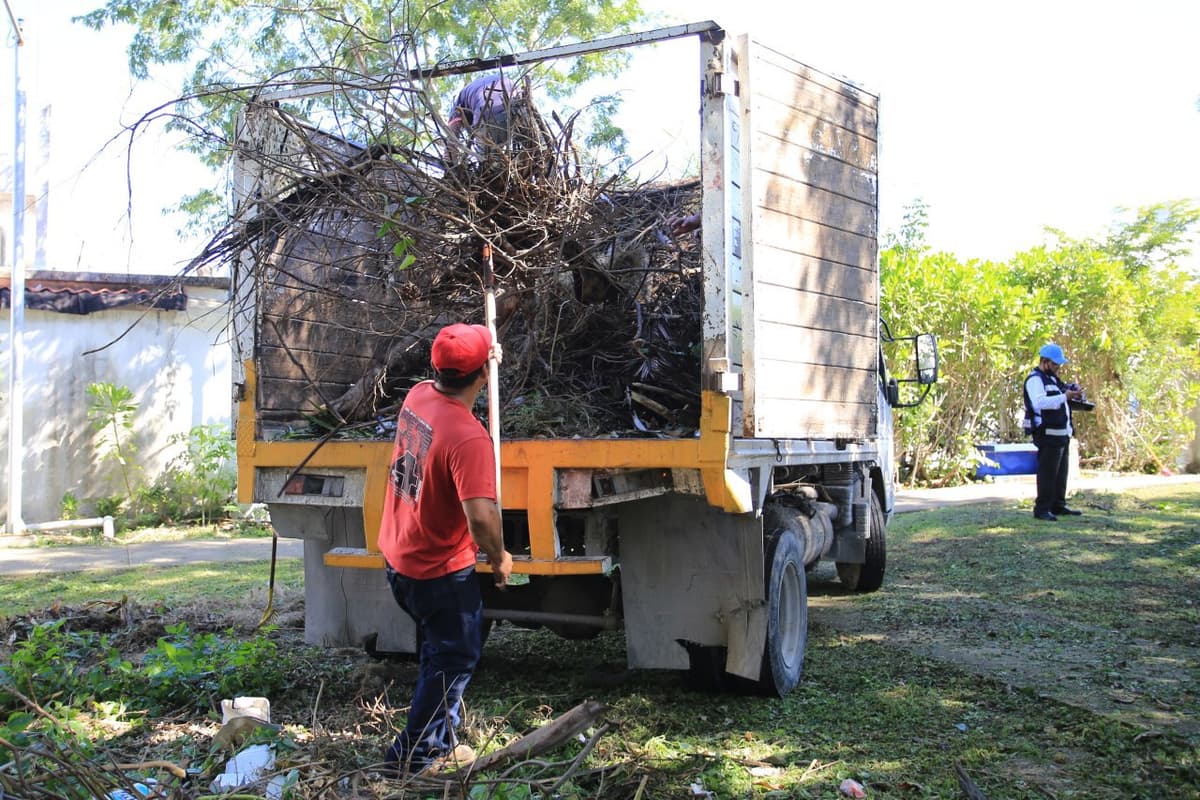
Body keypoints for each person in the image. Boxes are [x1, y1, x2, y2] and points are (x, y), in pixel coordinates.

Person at [378, 322, 513, 775]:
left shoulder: (418, 396)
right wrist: (499, 557)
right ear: (482, 378)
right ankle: (415, 756)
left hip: (400, 556)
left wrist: (483, 362)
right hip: (438, 571)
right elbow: (480, 517)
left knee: (437, 651)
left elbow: (461, 371)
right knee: (454, 657)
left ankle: (444, 737)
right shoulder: (469, 438)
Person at [1022, 343, 1085, 521]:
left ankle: (1058, 505)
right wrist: (1065, 397)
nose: (1058, 368)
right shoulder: (1035, 380)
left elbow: (1063, 393)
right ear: (1045, 362)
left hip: (1061, 433)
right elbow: (1040, 403)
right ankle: (1042, 508)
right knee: (1047, 472)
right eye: (1055, 364)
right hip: (1047, 433)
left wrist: (1073, 393)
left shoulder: (1053, 380)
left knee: (1061, 472)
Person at [447, 72, 523, 153]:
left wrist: (450, 159)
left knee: (487, 159)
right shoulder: (474, 88)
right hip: (519, 107)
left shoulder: (457, 105)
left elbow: (451, 141)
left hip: (488, 112)